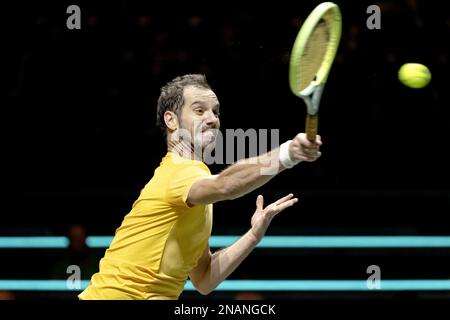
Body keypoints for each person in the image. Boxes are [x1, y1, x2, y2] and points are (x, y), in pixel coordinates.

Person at [79, 74, 322, 300]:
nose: (212, 119)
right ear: (171, 120)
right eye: (199, 110)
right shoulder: (179, 172)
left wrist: (254, 235)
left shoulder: (196, 190)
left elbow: (204, 279)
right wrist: (287, 154)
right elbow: (226, 185)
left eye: (216, 112)